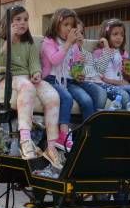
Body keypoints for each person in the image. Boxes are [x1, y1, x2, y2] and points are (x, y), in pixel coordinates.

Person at [0, 5, 63, 168]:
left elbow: (34, 64)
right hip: (9, 79)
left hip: (27, 79)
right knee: (27, 87)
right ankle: (25, 139)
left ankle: (52, 147)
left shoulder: (30, 44)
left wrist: (36, 73)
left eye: (25, 20)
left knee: (52, 96)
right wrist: (9, 39)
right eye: (18, 20)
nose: (22, 23)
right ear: (7, 23)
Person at [41, 8, 105, 149]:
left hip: (69, 80)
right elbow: (54, 60)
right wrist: (69, 44)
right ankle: (62, 135)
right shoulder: (48, 42)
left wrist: (79, 67)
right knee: (67, 98)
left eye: (72, 26)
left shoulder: (75, 45)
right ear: (56, 25)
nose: (69, 29)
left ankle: (88, 136)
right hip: (51, 79)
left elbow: (74, 67)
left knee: (87, 100)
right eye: (66, 25)